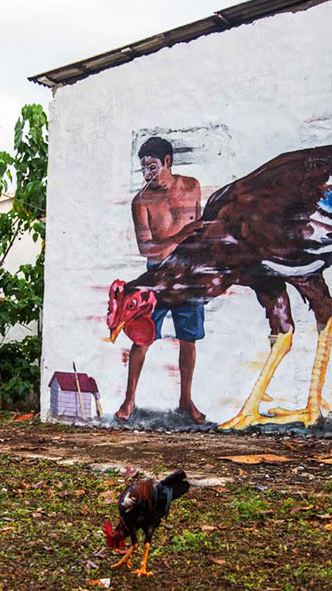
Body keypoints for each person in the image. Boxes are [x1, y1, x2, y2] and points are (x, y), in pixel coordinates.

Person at [115, 137, 206, 424]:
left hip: (189, 275)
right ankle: (129, 400)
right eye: (143, 168)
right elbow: (149, 249)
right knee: (142, 338)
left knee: (188, 339)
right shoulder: (141, 201)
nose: (147, 174)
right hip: (156, 278)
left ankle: (186, 399)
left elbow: (200, 230)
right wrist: (183, 234)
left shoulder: (191, 186)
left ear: (167, 162)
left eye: (152, 166)